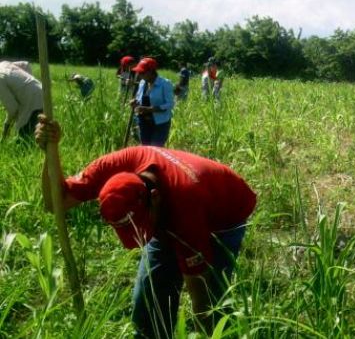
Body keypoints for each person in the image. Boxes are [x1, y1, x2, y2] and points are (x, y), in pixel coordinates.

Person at [35, 117, 257, 337]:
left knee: (213, 299)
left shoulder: (185, 211)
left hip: (227, 211)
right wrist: (50, 151)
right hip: (176, 204)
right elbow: (55, 202)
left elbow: (200, 299)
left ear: (155, 197)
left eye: (141, 228)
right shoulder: (113, 166)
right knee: (149, 300)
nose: (140, 240)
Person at [130, 57, 174, 147]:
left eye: (142, 72)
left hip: (160, 124)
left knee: (156, 150)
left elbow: (169, 104)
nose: (139, 74)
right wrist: (134, 102)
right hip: (143, 122)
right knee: (145, 148)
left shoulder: (165, 84)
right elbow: (139, 98)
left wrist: (149, 110)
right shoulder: (142, 83)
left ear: (150, 72)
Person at [0, 60, 43, 142]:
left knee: (21, 143)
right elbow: (25, 64)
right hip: (42, 90)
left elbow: (13, 109)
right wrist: (29, 85)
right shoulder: (3, 64)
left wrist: (6, 127)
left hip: (32, 103)